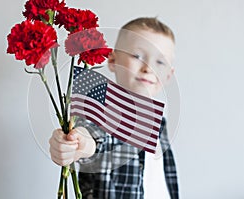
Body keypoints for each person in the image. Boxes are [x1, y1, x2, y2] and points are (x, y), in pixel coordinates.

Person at [49, 17, 179, 199]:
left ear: (168, 75)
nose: (148, 68)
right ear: (112, 60)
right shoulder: (103, 111)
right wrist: (79, 143)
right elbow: (94, 136)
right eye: (137, 56)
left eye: (160, 62)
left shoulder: (160, 124)